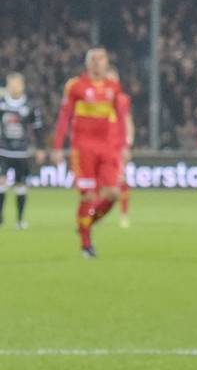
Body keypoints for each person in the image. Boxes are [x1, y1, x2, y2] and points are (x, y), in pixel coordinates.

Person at [52, 48, 127, 257]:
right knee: (89, 195)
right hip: (83, 148)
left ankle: (87, 223)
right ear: (87, 64)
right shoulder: (76, 86)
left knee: (113, 193)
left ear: (106, 63)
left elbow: (119, 118)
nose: (97, 63)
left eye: (101, 59)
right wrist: (57, 146)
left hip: (107, 148)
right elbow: (64, 117)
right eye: (93, 59)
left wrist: (123, 146)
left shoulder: (113, 86)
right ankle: (86, 244)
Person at [1, 73, 44, 229]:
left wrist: (40, 148)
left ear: (22, 85)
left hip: (21, 151)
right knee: (1, 182)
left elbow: (38, 128)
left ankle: (19, 220)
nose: (14, 87)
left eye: (16, 84)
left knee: (21, 185)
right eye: (11, 84)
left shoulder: (30, 105)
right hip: (3, 150)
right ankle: (0, 219)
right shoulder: (2, 103)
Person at [105, 67, 135, 228]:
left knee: (121, 180)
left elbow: (128, 121)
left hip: (117, 146)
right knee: (100, 183)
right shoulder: (98, 98)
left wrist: (128, 143)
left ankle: (124, 214)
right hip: (101, 145)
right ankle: (95, 215)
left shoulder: (123, 99)